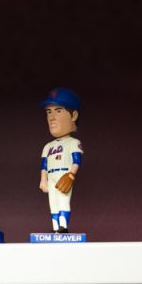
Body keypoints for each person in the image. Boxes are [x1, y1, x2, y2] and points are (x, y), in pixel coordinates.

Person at [39, 88, 83, 232]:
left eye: (58, 111)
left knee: (63, 201)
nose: (51, 117)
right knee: (53, 203)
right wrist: (43, 180)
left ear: (73, 115)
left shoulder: (73, 142)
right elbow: (44, 165)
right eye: (48, 112)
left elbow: (76, 160)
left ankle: (63, 226)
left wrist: (71, 174)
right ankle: (55, 227)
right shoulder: (47, 146)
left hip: (64, 173)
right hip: (51, 175)